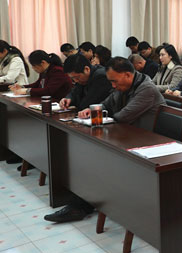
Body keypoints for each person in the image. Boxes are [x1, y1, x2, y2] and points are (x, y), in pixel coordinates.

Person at [45, 57, 166, 223]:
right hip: (128, 137)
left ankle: (80, 206)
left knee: (98, 159)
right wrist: (93, 109)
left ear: (127, 75)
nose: (113, 86)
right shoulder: (124, 85)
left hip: (146, 144)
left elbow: (122, 116)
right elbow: (106, 103)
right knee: (89, 155)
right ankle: (80, 204)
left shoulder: (147, 89)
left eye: (114, 81)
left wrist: (101, 114)